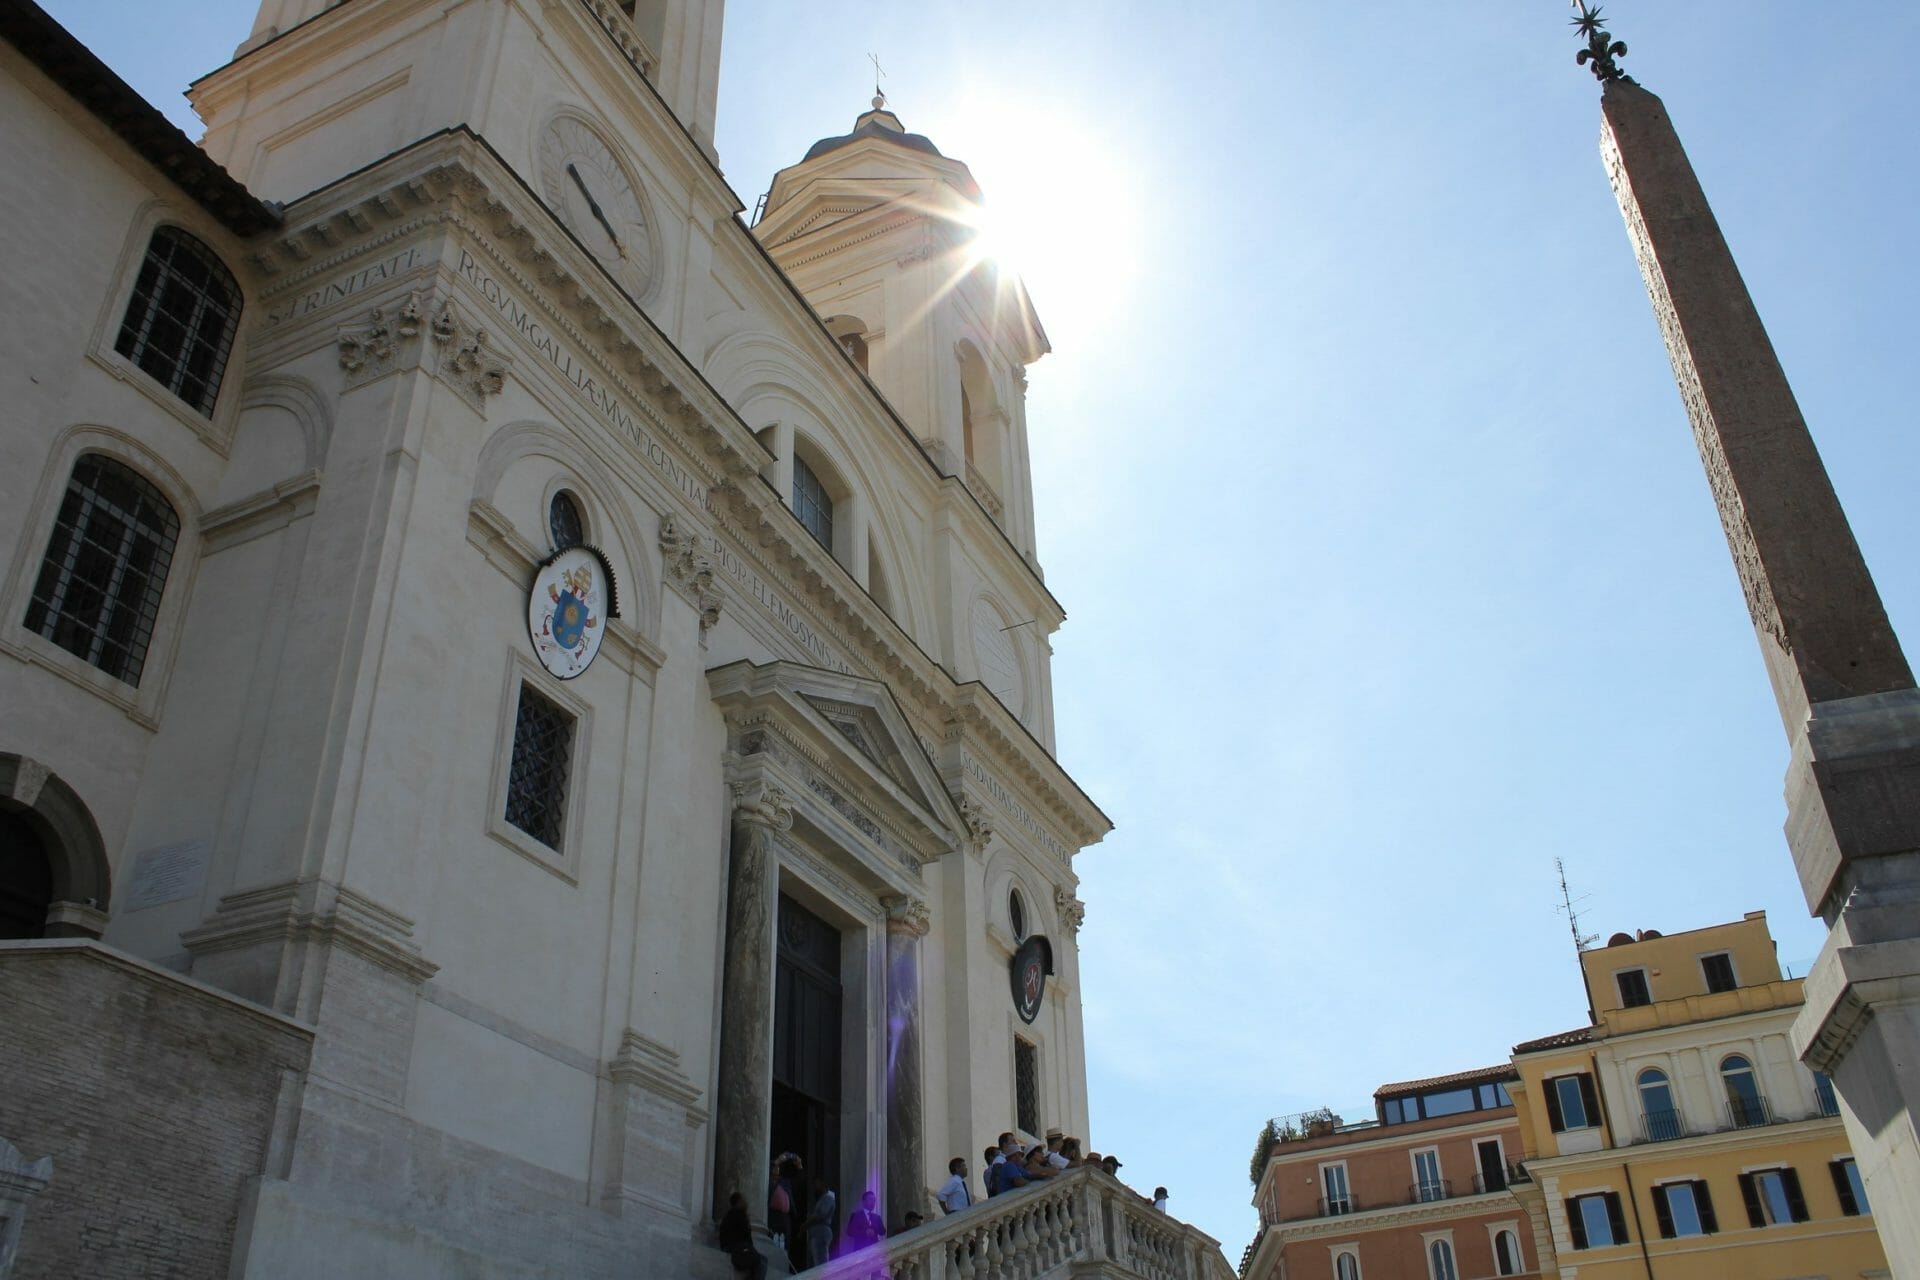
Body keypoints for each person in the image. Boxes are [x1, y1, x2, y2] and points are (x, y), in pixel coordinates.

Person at [718, 1192, 766, 1280]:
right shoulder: (739, 1215)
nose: (745, 1202)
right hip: (736, 1248)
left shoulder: (730, 1215)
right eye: (743, 1200)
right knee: (761, 1262)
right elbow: (746, 1237)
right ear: (739, 1202)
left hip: (732, 1247)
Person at [768, 1156, 799, 1255]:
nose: (777, 1169)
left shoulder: (785, 1182)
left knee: (785, 1240)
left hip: (785, 1217)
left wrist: (799, 1166)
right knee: (774, 1238)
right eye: (774, 1167)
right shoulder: (768, 1181)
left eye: (778, 1167)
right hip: (773, 1215)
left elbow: (799, 1180)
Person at [804, 1178, 836, 1268]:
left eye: (817, 1184)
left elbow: (821, 1214)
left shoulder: (828, 1197)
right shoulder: (823, 1198)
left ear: (823, 1185)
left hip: (821, 1233)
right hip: (817, 1233)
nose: (815, 1187)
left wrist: (806, 1223)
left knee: (821, 1264)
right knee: (817, 1263)